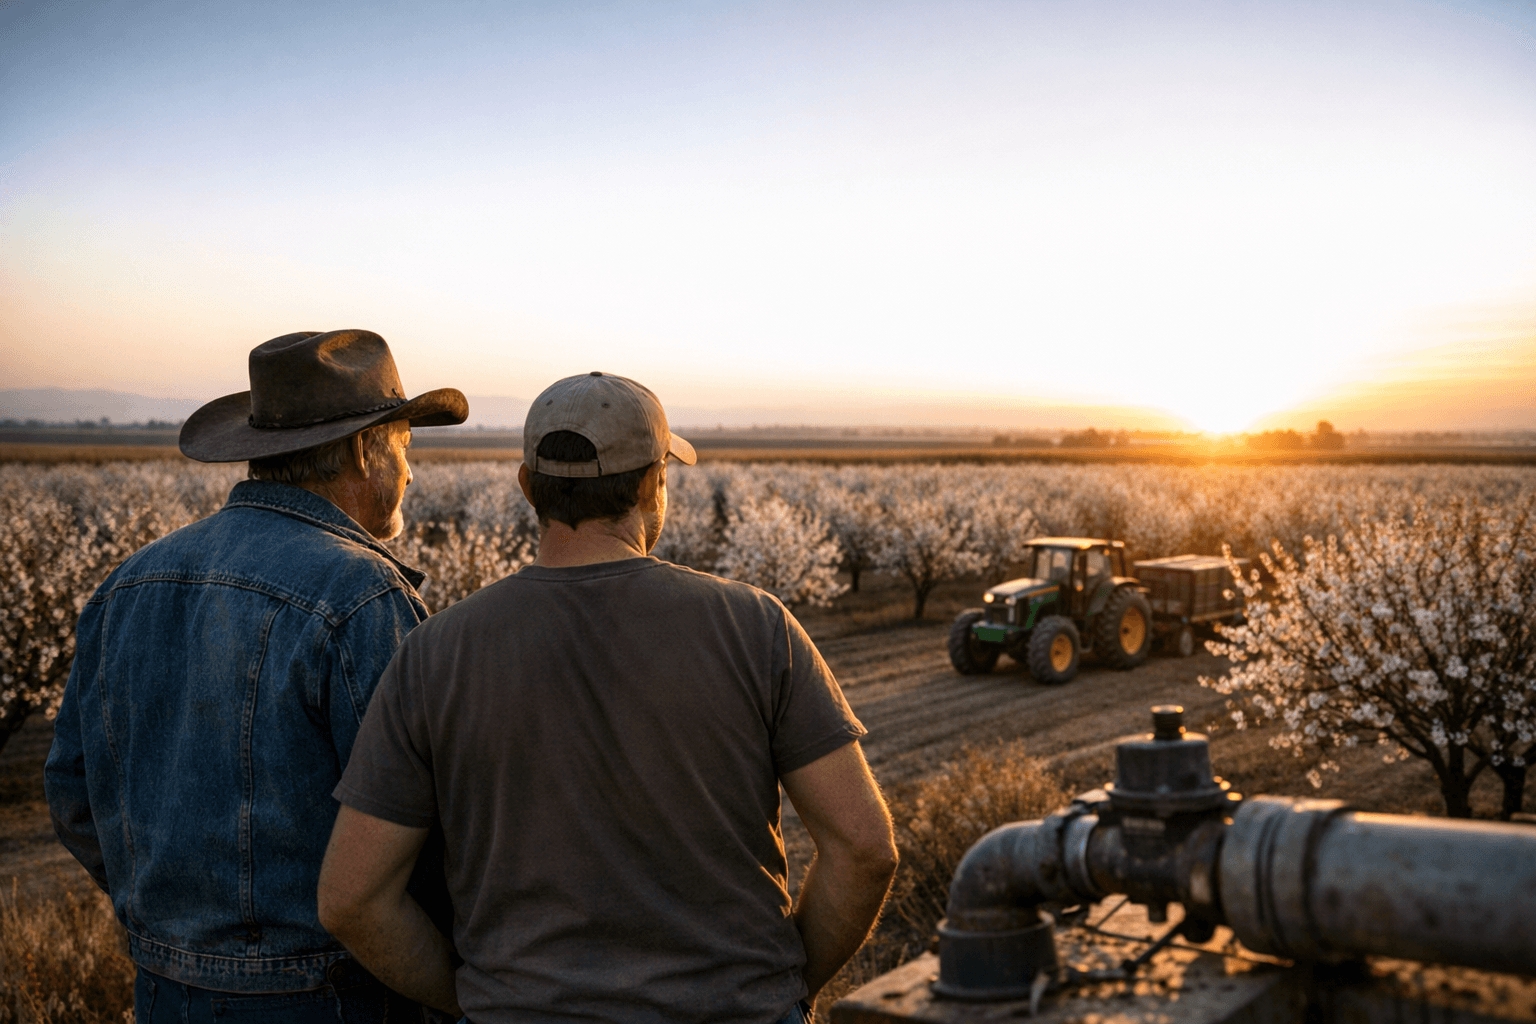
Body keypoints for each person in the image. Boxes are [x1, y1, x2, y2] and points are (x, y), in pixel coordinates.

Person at [318, 371, 899, 1024]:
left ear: (526, 487)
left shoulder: (433, 653)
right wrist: (782, 988)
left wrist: (477, 1000)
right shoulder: (756, 627)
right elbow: (864, 847)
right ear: (655, 484)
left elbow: (351, 898)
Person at [45, 329, 468, 1023]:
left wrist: (176, 932)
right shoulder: (362, 597)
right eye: (404, 448)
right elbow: (425, 827)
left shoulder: (124, 585)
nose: (412, 474)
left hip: (161, 991)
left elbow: (70, 791)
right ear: (367, 452)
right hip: (330, 995)